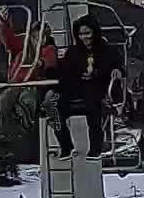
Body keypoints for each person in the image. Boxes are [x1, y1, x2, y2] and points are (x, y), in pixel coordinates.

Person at [52, 14, 124, 159]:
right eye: (80, 34)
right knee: (54, 109)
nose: (83, 37)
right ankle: (66, 146)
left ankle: (95, 149)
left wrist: (115, 71)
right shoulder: (73, 52)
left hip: (99, 89)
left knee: (94, 109)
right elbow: (64, 70)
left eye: (87, 33)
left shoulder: (107, 50)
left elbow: (119, 66)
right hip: (77, 89)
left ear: (95, 32)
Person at [0, 8, 58, 144]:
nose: (39, 41)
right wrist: (4, 21)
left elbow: (50, 61)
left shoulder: (49, 49)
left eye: (43, 37)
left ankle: (24, 127)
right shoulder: (24, 46)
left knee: (27, 100)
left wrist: (40, 63)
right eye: (36, 37)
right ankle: (1, 129)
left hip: (34, 85)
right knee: (4, 99)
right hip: (16, 83)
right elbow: (9, 40)